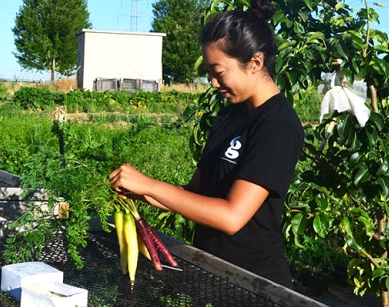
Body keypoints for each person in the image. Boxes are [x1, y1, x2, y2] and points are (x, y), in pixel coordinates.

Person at [109, 0, 304, 289]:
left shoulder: (278, 126)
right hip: (212, 272)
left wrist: (149, 184)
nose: (213, 83)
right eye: (209, 74)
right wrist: (141, 193)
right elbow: (193, 195)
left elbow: (231, 216)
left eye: (219, 72)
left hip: (255, 284)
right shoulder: (229, 115)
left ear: (256, 63)